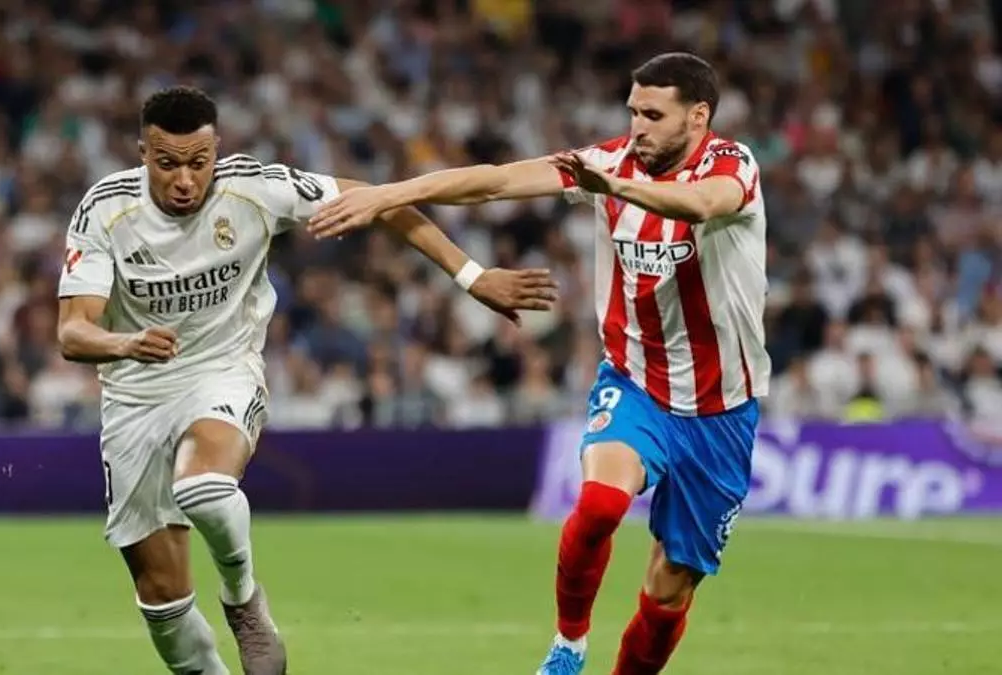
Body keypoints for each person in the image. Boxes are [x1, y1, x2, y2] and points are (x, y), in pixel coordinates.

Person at [56, 85, 559, 675]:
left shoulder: (255, 188)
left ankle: (243, 599)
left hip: (222, 371)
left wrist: (472, 276)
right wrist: (124, 343)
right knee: (163, 605)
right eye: (168, 164)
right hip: (134, 396)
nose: (186, 181)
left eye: (199, 162)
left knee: (203, 486)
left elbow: (380, 202)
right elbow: (73, 332)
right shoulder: (106, 210)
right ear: (143, 153)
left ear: (217, 151)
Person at [308, 53, 770, 675]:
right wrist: (390, 193)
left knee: (669, 589)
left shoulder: (732, 165)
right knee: (601, 504)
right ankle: (568, 644)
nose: (637, 126)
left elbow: (703, 205)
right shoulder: (606, 163)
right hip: (637, 384)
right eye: (633, 111)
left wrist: (615, 189)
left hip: (722, 410)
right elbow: (496, 181)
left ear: (698, 116)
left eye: (653, 115)